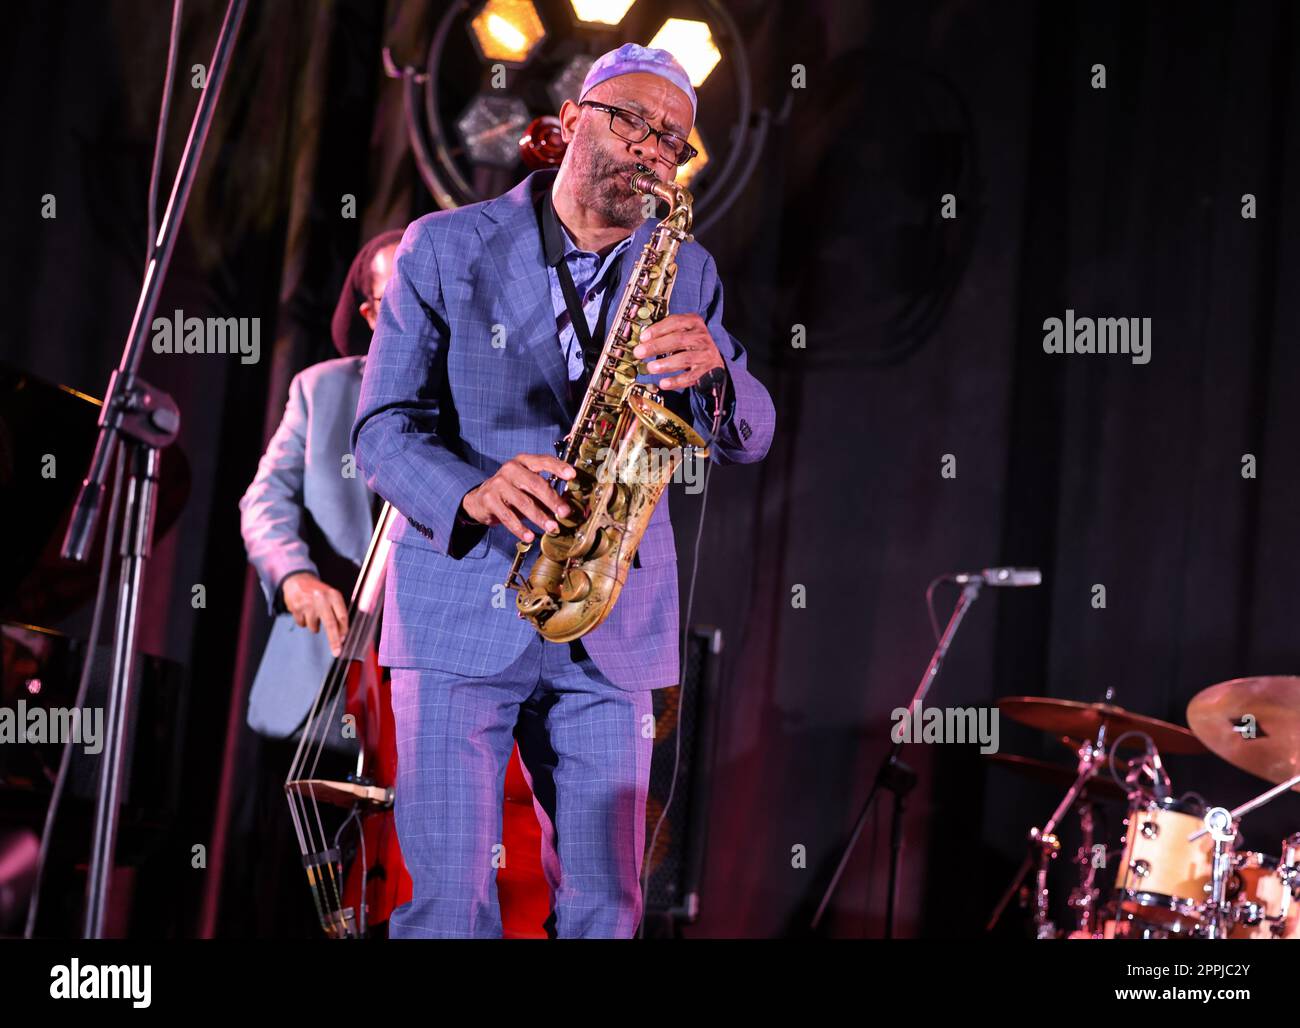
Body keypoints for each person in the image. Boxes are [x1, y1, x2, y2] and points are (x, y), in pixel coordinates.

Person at [352, 43, 775, 939]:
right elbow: (381, 432)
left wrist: (719, 379)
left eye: (673, 140)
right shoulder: (443, 245)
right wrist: (473, 492)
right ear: (574, 118)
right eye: (632, 120)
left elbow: (754, 433)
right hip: (462, 607)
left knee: (607, 911)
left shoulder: (685, 270)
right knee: (447, 908)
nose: (652, 148)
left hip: (611, 621)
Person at [232, 230, 400, 936]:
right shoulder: (321, 389)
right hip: (313, 683)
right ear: (368, 313)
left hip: (410, 694)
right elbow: (263, 502)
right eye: (399, 298)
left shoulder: (471, 397)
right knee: (276, 894)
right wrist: (296, 579)